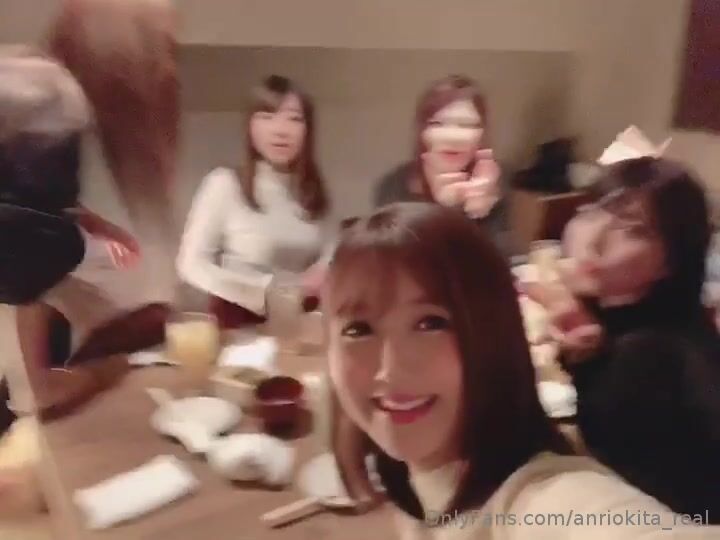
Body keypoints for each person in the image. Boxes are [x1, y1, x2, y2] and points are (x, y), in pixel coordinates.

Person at [322, 202, 714, 539]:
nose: (390, 369)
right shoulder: (415, 481)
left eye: (430, 323)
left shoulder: (541, 503)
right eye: (359, 329)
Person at [524, 157, 720, 522]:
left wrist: (589, 364)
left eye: (633, 230)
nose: (595, 241)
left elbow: (632, 482)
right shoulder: (668, 323)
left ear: (670, 263)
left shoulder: (647, 356)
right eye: (591, 213)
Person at [177, 75, 331, 329]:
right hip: (239, 326)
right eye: (267, 116)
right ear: (250, 127)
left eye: (294, 119)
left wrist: (322, 271)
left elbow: (329, 250)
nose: (280, 130)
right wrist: (266, 292)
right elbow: (190, 264)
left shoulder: (311, 191)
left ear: (307, 130)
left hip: (299, 325)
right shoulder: (224, 183)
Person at [373, 75, 512, 256]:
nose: (453, 136)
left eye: (467, 125)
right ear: (422, 131)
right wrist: (443, 213)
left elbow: (502, 263)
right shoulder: (394, 186)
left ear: (482, 135)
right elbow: (396, 260)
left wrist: (480, 214)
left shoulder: (495, 180)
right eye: (437, 123)